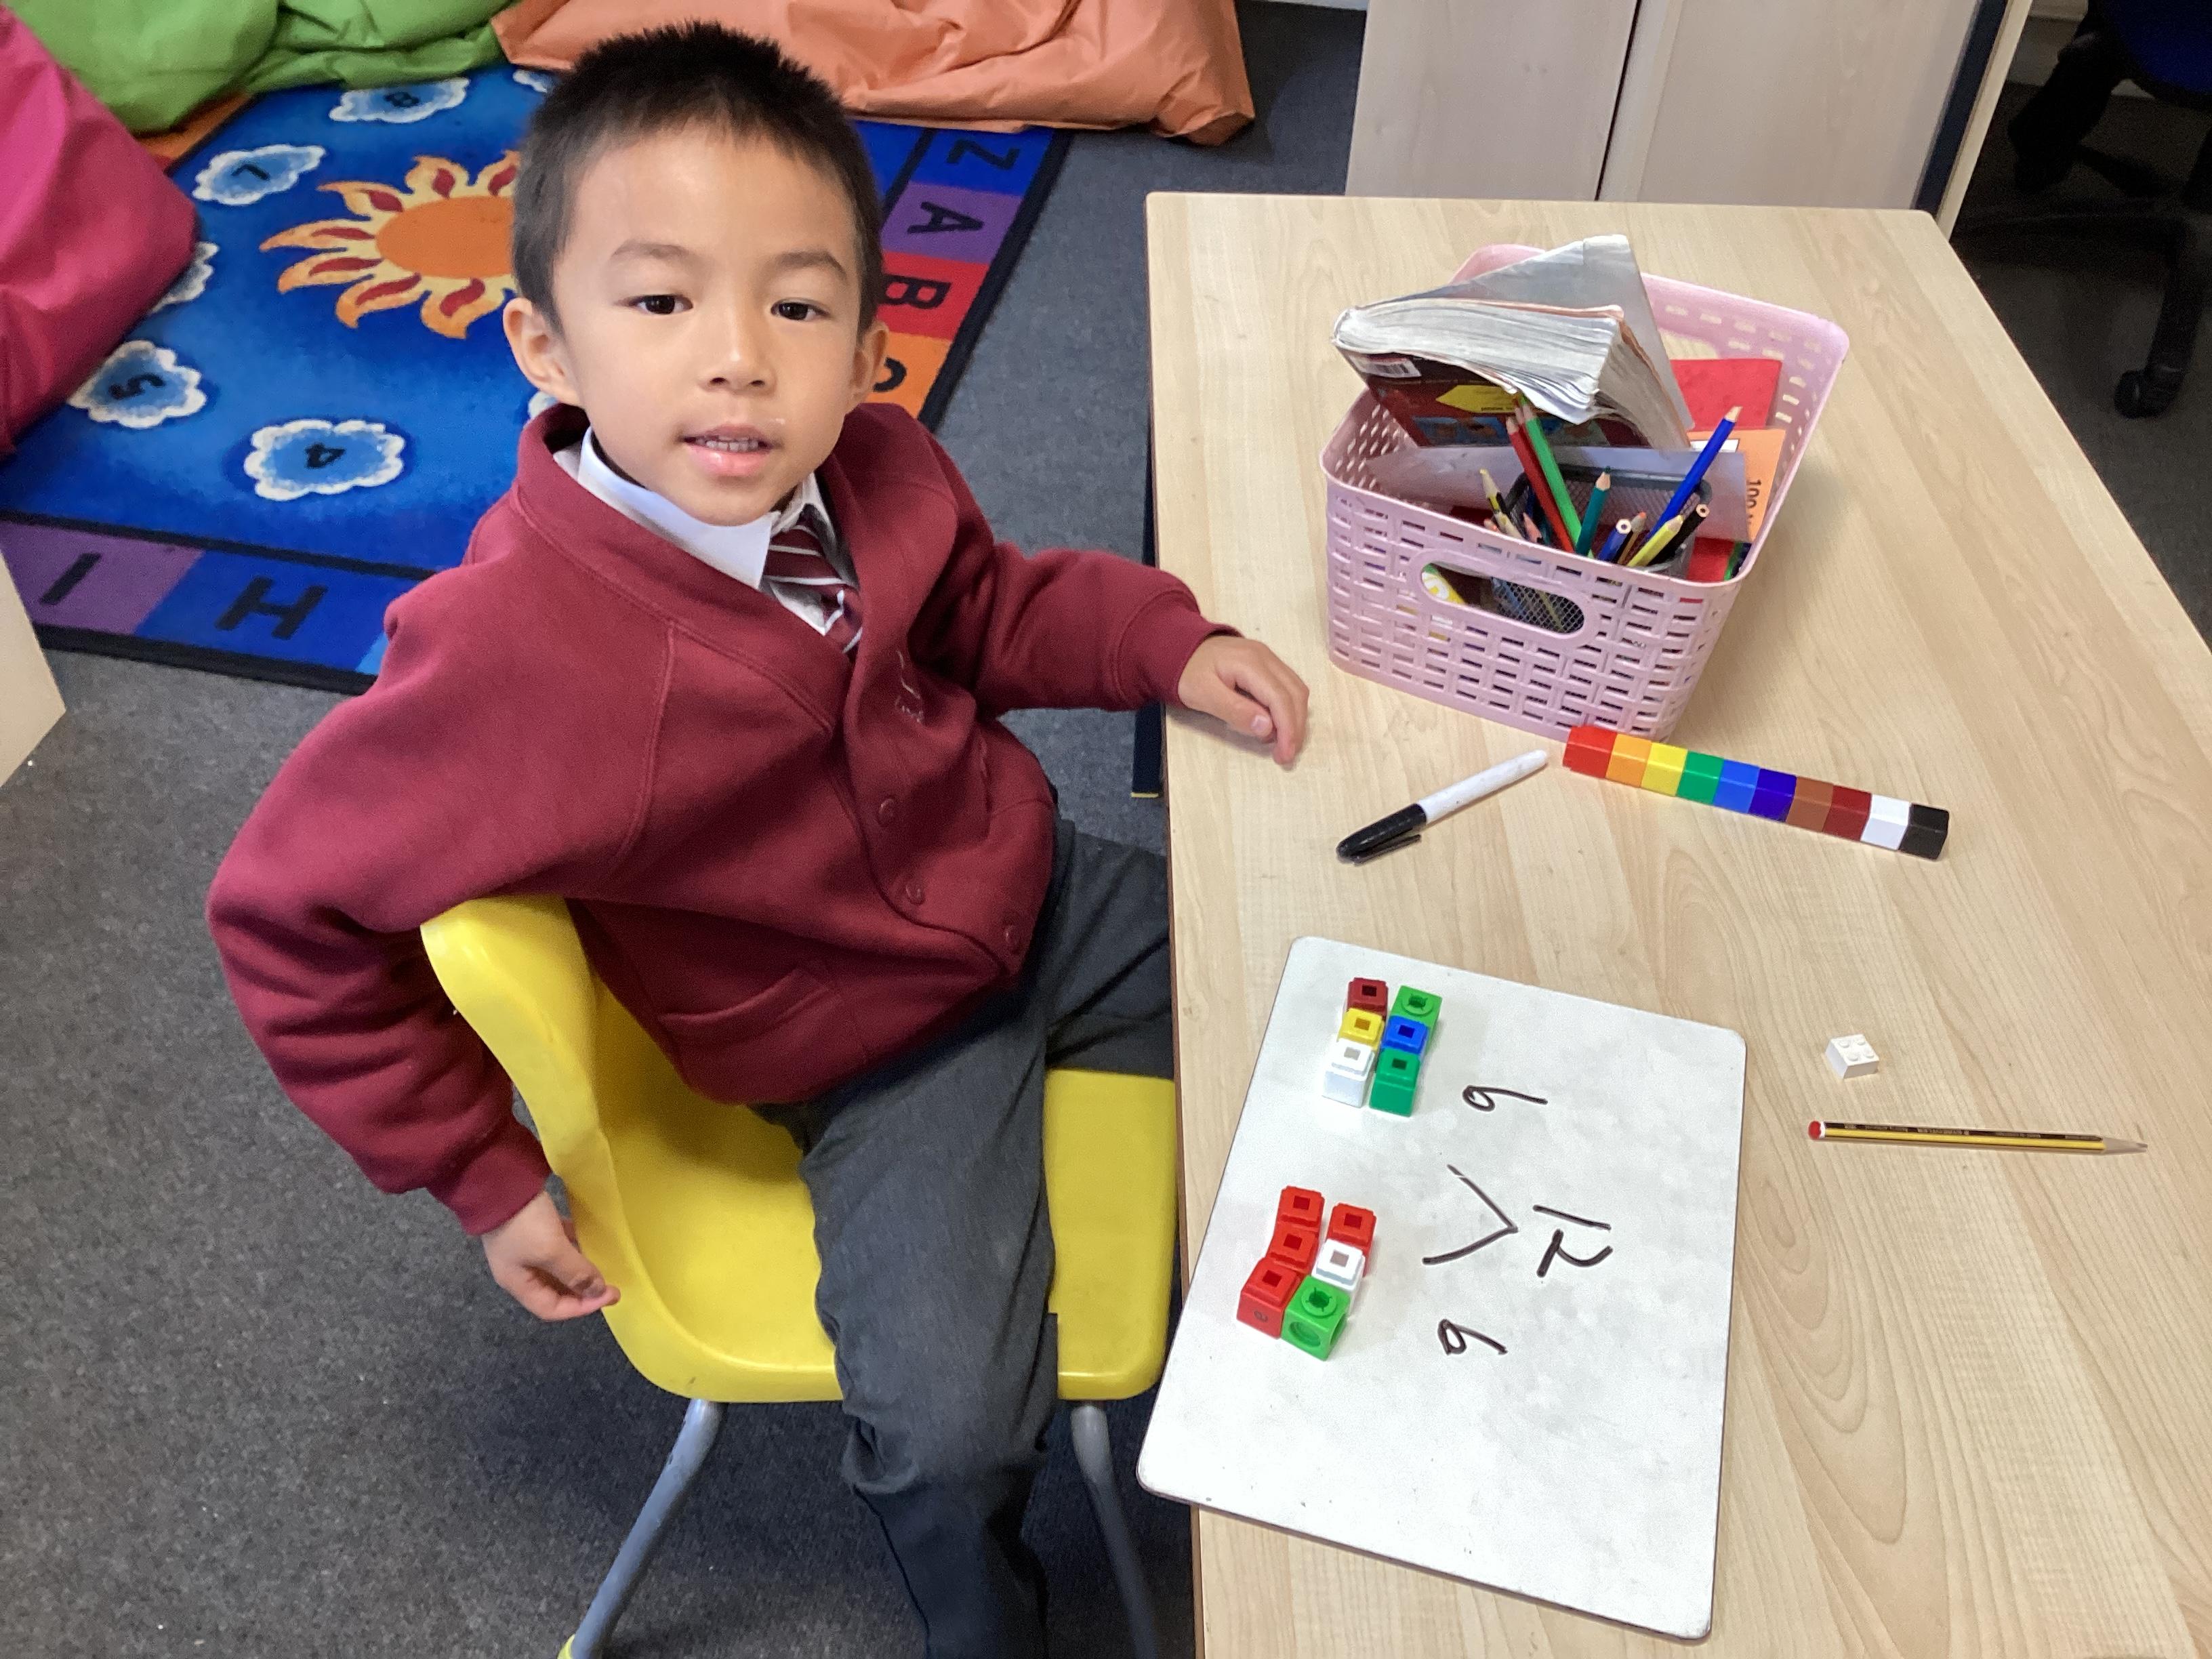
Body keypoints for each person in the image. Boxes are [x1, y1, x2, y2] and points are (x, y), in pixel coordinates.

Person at [205, 24, 1308, 1658]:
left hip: (1035, 887)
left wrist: (1165, 643)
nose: (738, 359)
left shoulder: (875, 467)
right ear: (546, 344)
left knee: (1340, 991)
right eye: (662, 304)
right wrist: (479, 1169)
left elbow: (987, 608)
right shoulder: (508, 660)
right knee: (952, 1430)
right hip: (867, 1052)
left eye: (796, 308)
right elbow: (283, 912)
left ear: (869, 348)